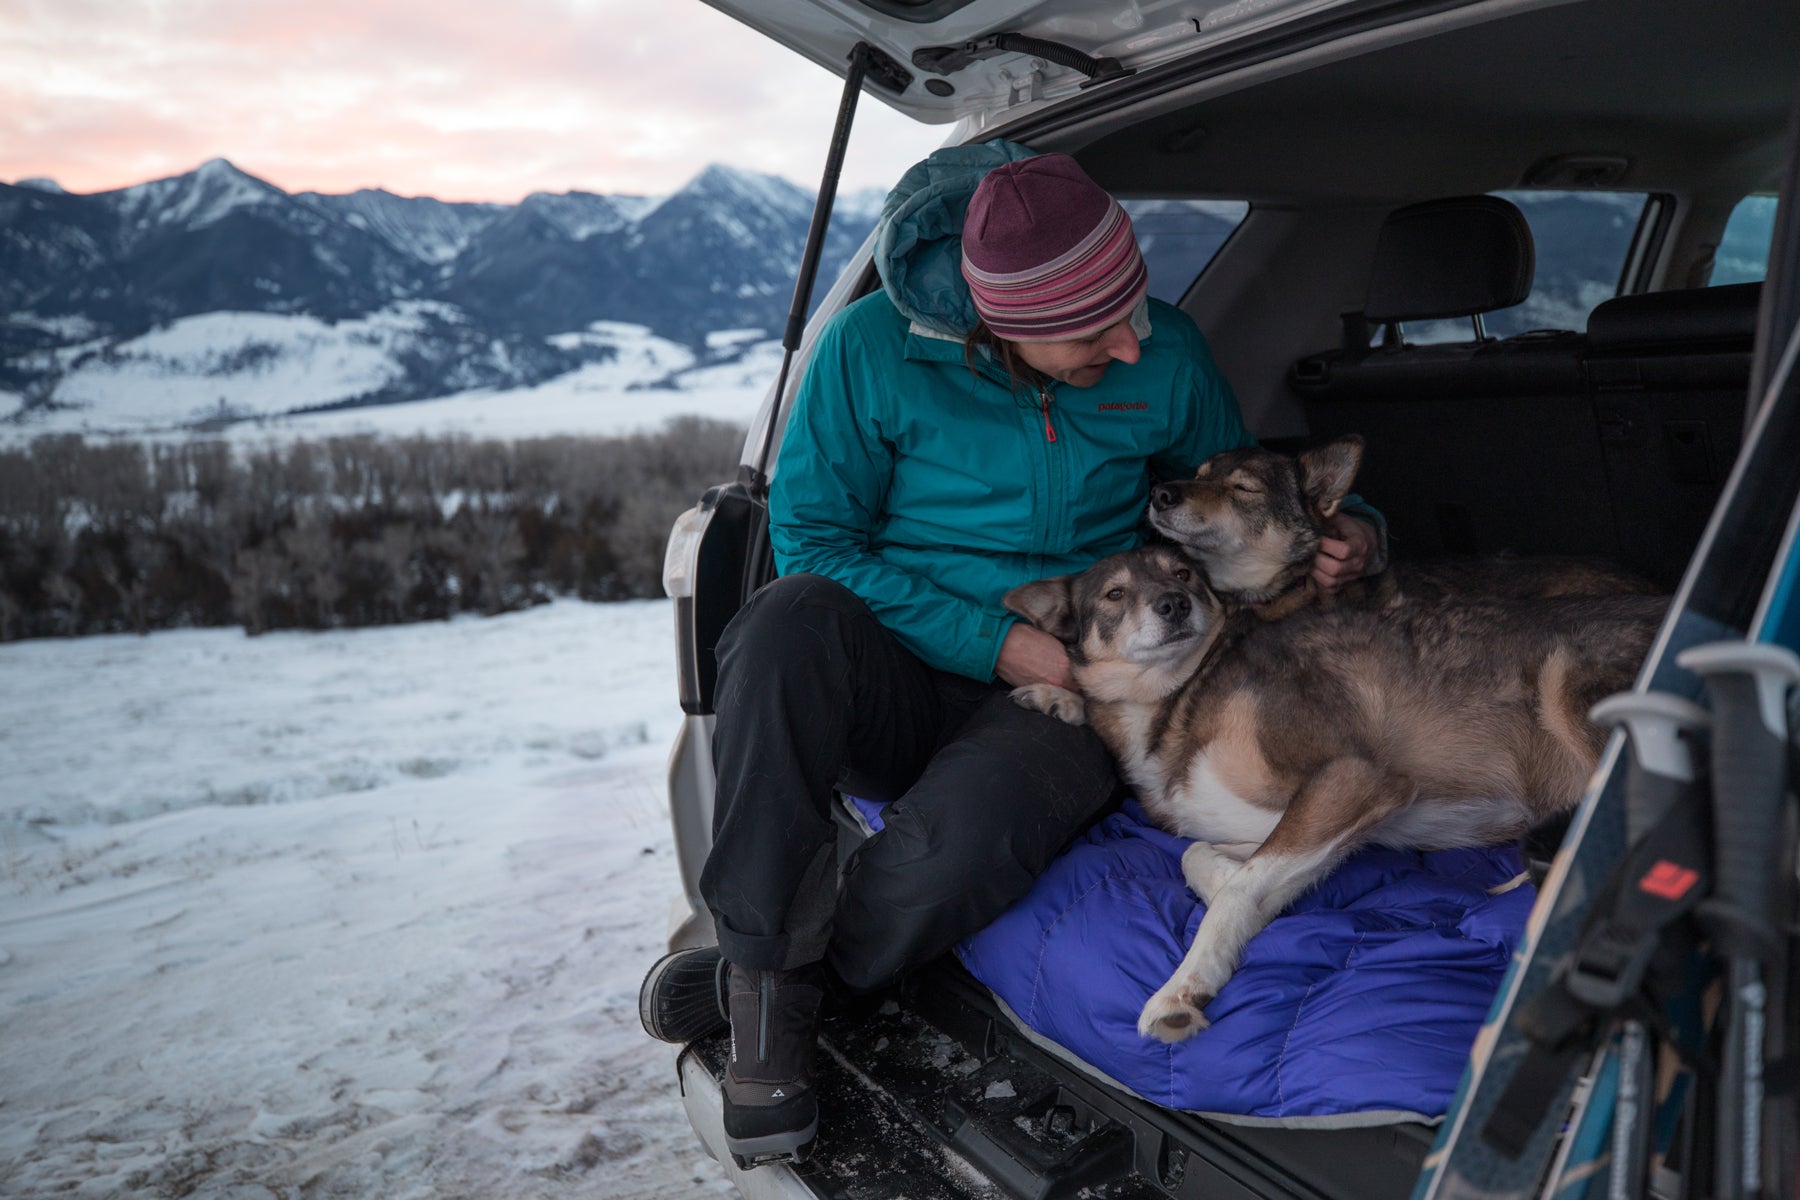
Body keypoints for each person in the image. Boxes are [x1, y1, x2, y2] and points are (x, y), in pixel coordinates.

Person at [639, 144, 1382, 1168]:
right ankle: (762, 993)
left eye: (1137, 309)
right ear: (1004, 323)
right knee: (783, 621)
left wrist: (1355, 531)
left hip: (1086, 674)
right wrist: (997, 642)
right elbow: (814, 544)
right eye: (1095, 329)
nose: (1132, 347)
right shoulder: (868, 350)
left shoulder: (1163, 351)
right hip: (903, 660)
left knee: (959, 845)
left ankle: (798, 982)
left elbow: (1238, 490)